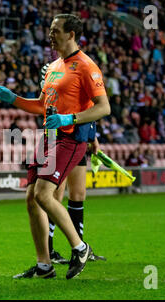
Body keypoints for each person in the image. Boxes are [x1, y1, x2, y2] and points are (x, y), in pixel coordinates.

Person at [0, 14, 110, 279]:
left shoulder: (87, 66)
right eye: (49, 29)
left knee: (45, 194)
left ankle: (80, 248)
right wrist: (13, 98)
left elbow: (104, 107)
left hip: (70, 138)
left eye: (55, 30)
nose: (50, 34)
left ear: (71, 34)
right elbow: (41, 105)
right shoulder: (54, 65)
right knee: (32, 199)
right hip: (49, 136)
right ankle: (44, 265)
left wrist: (71, 118)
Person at [38, 63, 106, 265]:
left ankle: (79, 248)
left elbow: (91, 111)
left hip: (81, 138)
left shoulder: (86, 79)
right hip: (60, 138)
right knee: (54, 195)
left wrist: (93, 138)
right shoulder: (60, 79)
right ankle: (49, 252)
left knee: (78, 194)